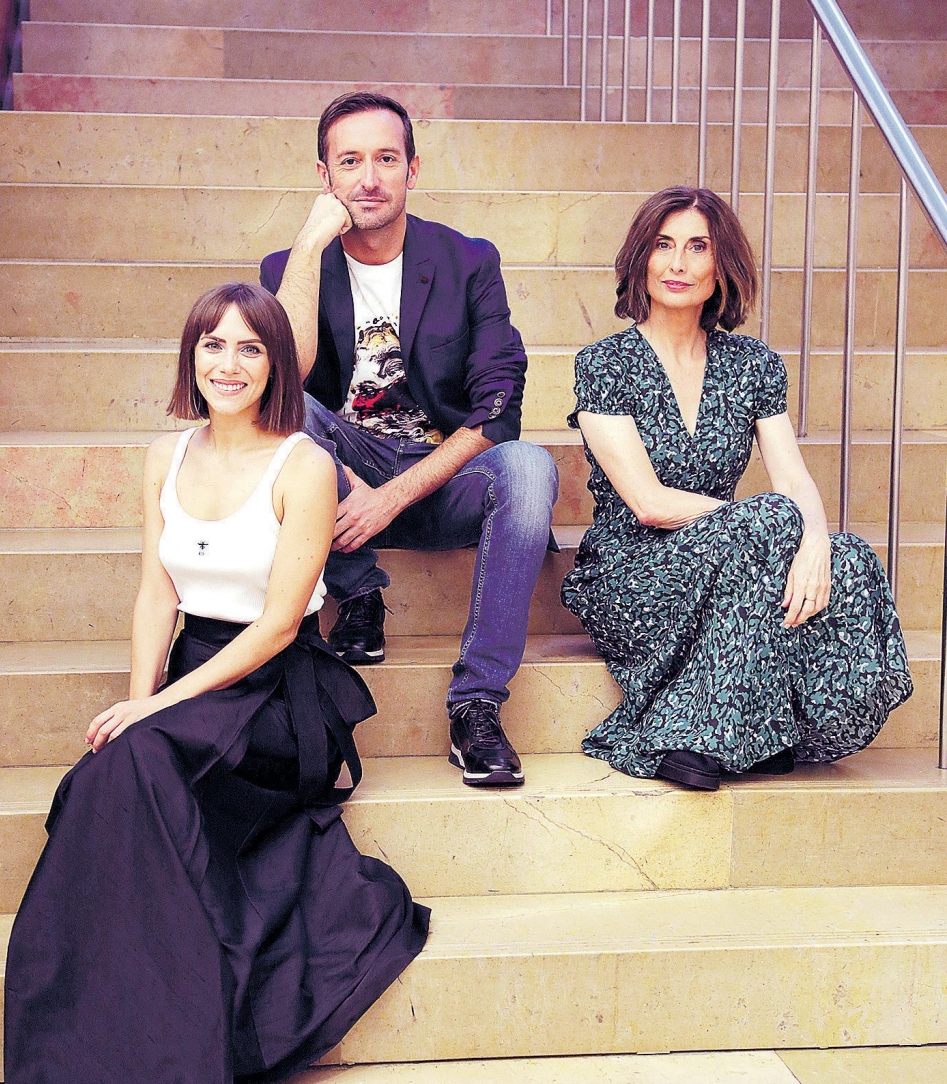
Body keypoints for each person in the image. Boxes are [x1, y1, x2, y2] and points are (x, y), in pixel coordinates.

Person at [3, 283, 430, 1084]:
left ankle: (161, 1047)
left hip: (276, 692)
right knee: (114, 772)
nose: (227, 364)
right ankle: (90, 1027)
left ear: (276, 364)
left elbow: (279, 624)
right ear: (189, 357)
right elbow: (157, 590)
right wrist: (139, 698)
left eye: (248, 348)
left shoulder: (304, 464)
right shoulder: (165, 455)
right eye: (211, 345)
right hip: (190, 674)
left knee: (137, 764)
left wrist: (159, 712)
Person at [561, 186, 913, 791]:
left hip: (735, 559)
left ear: (721, 265)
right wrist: (769, 525)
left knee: (849, 556)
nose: (678, 264)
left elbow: (793, 477)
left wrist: (815, 544)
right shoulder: (605, 364)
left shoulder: (753, 364)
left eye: (698, 247)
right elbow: (648, 502)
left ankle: (782, 731)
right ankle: (687, 737)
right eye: (664, 245)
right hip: (633, 574)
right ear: (641, 258)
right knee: (771, 521)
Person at [260, 91, 559, 788]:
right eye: (350, 162)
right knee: (281, 406)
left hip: (439, 480)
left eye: (386, 159)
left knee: (530, 467)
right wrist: (308, 245)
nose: (369, 179)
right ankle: (359, 592)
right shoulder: (292, 266)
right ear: (324, 176)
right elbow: (281, 384)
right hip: (340, 481)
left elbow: (498, 408)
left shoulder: (467, 261)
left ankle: (477, 704)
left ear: (412, 169)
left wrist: (388, 499)